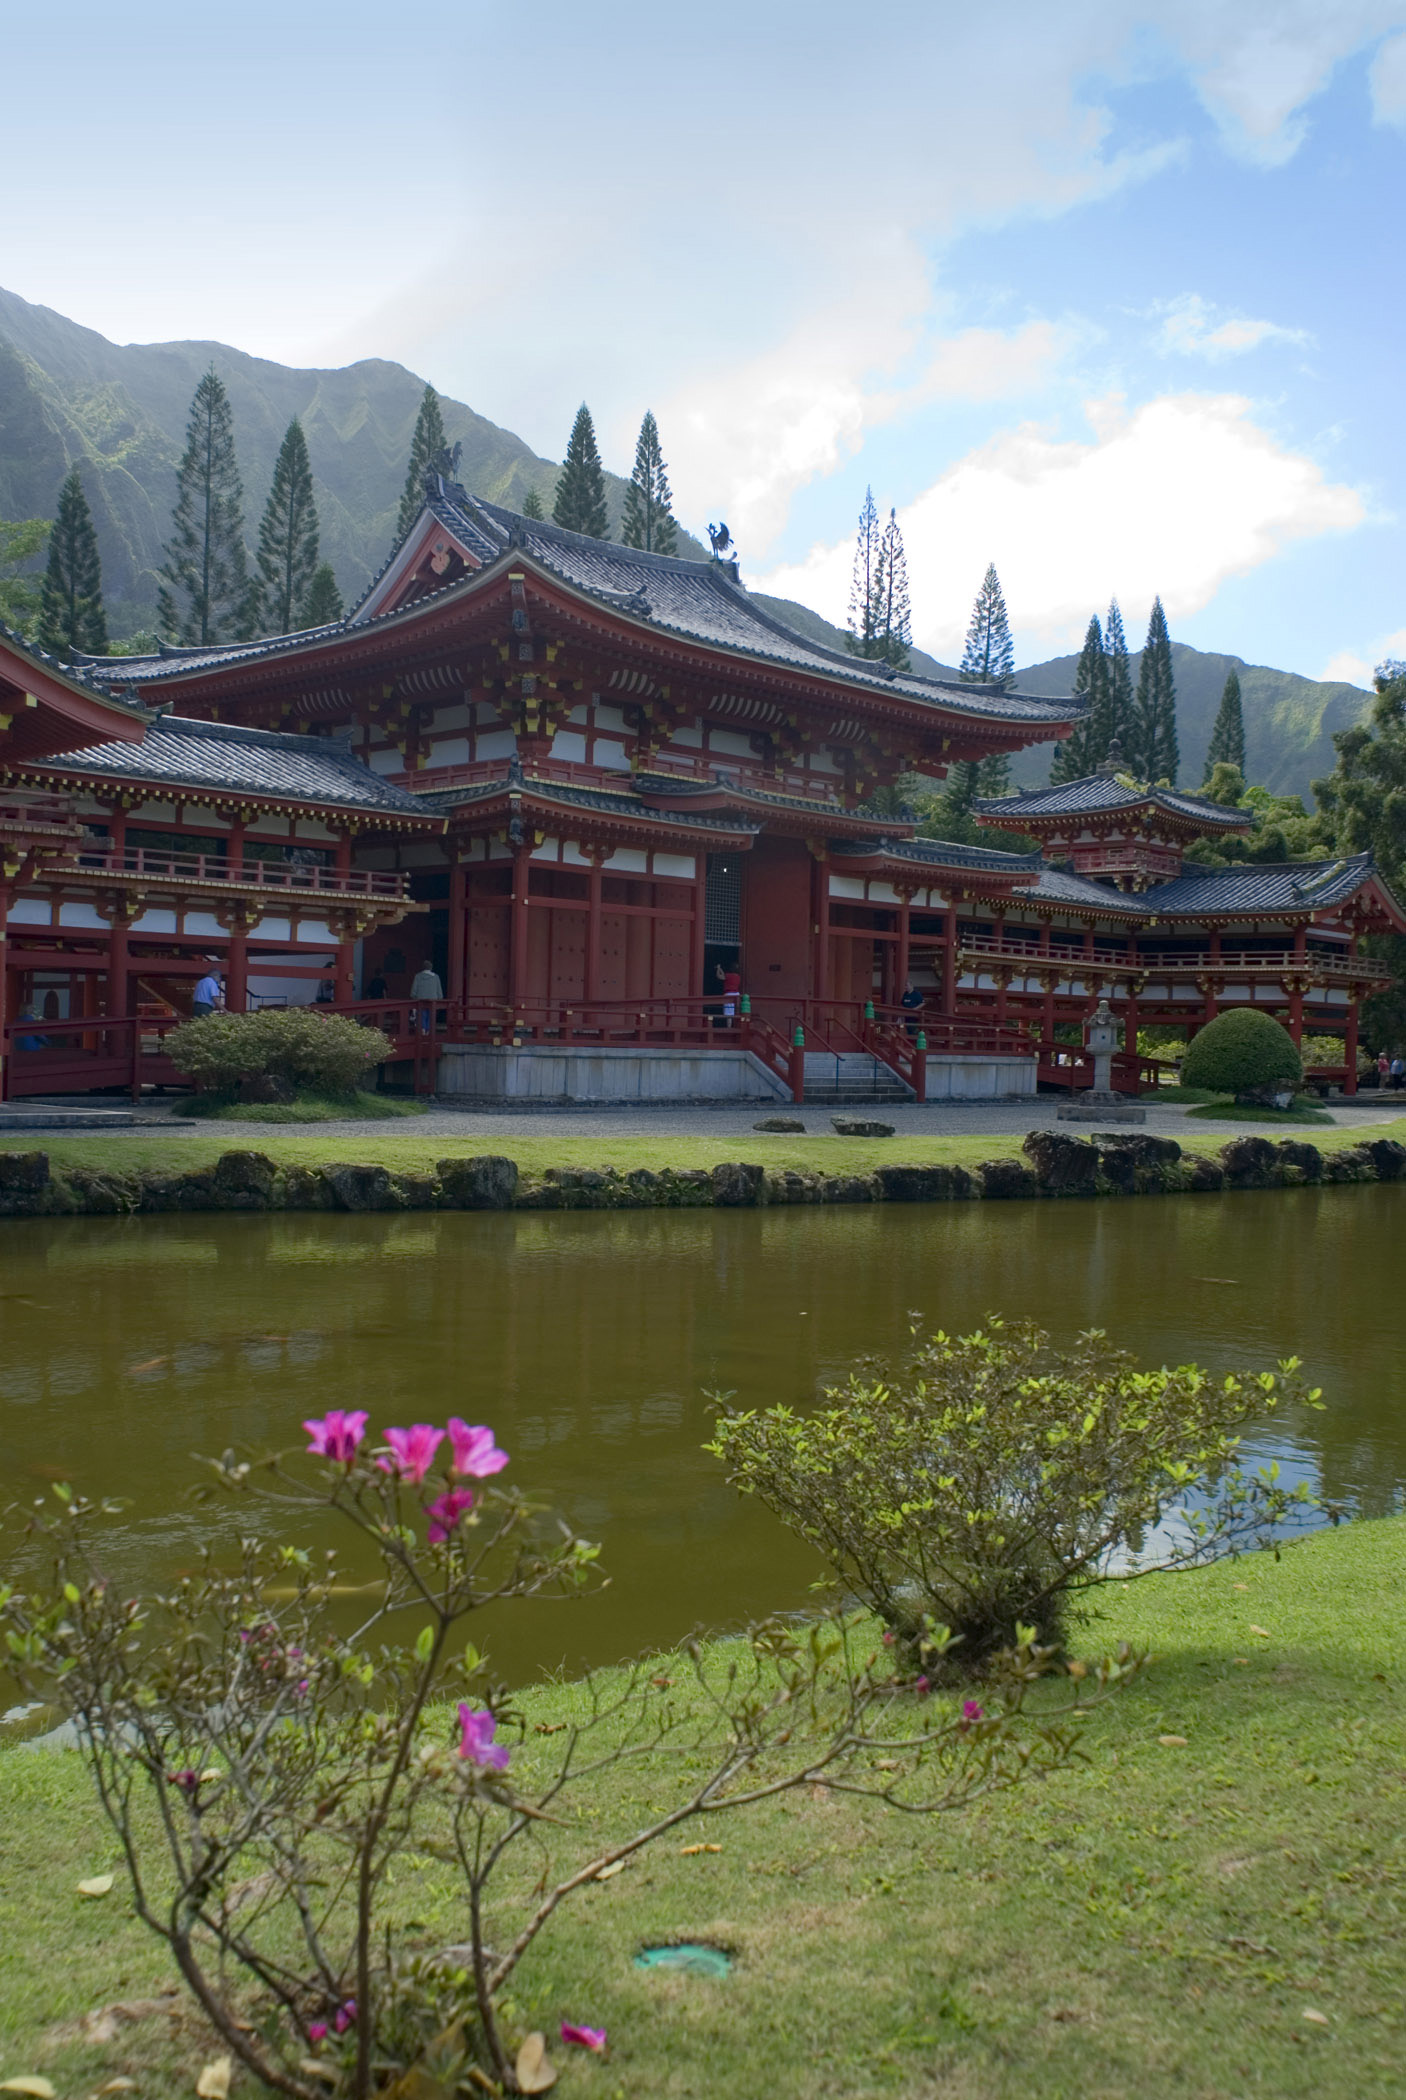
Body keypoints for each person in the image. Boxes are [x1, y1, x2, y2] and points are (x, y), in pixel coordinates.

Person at [410, 961, 444, 1035]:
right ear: (431, 968)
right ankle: (428, 1031)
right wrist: (440, 998)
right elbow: (439, 991)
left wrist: (413, 996)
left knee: (422, 1015)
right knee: (431, 1016)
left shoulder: (418, 976)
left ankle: (422, 1029)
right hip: (433, 1000)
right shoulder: (436, 977)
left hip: (421, 1000)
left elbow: (414, 991)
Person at [714, 958, 742, 1024]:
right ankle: (736, 1027)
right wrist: (720, 968)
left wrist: (718, 969)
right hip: (737, 995)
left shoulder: (728, 976)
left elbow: (719, 976)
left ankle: (729, 1029)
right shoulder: (738, 977)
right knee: (736, 1012)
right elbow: (724, 975)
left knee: (729, 1014)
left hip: (729, 994)